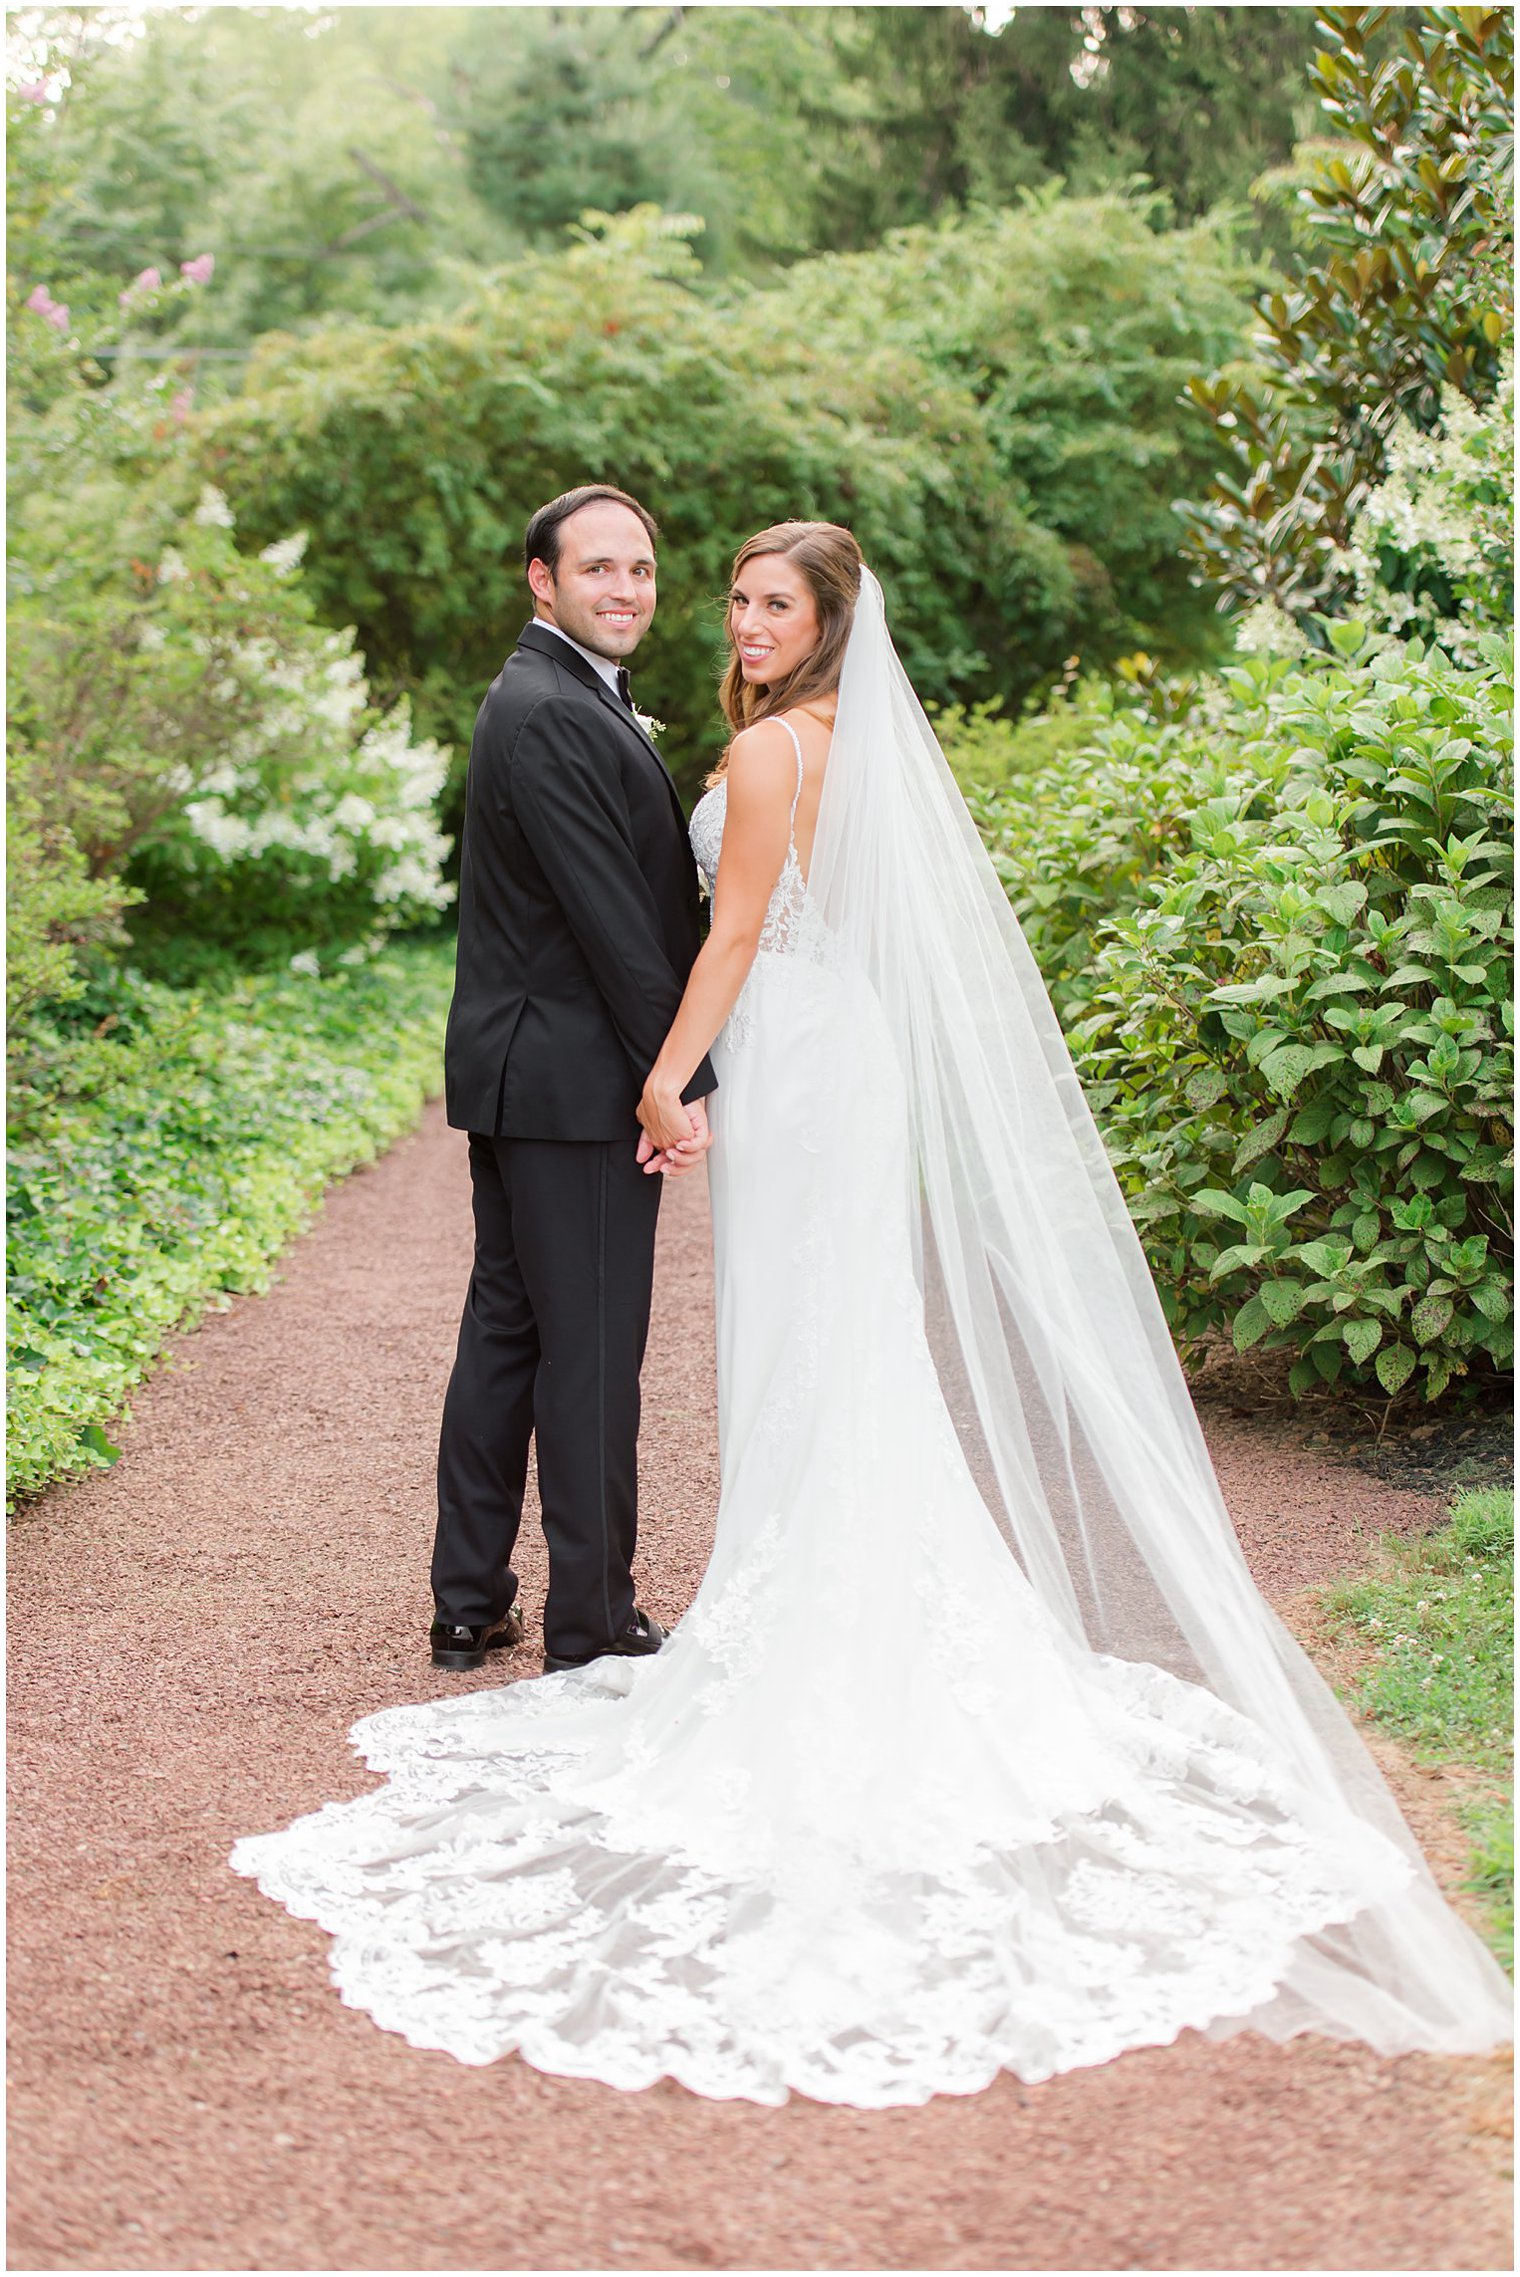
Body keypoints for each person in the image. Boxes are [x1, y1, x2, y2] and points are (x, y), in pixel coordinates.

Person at [233, 522, 1511, 2107]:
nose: (744, 620)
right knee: (831, 1345)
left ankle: (799, 1604)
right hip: (834, 1059)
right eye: (739, 599)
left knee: (807, 1342)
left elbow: (735, 931)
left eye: (778, 604)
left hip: (801, 1069)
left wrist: (666, 1070)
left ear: (833, 624)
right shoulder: (819, 741)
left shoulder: (774, 748)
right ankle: (773, 1575)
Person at [429, 484, 714, 1676]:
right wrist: (675, 1079)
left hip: (525, 1077)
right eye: (598, 569)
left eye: (639, 569)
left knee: (509, 1332)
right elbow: (612, 923)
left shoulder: (559, 695)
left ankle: (467, 1599)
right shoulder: (550, 709)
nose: (625, 589)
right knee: (588, 1349)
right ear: (541, 581)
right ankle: (590, 1618)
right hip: (575, 1081)